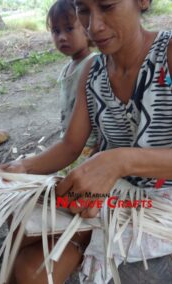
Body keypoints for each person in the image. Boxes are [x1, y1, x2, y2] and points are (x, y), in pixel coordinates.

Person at [0, 0, 172, 283]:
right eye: (83, 10)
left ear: (143, 2)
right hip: (110, 192)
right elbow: (69, 146)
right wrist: (22, 169)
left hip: (165, 204)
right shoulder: (93, 72)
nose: (93, 25)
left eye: (107, 6)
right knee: (20, 224)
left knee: (32, 269)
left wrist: (119, 161)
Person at [47, 0, 98, 173]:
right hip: (71, 144)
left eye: (69, 29)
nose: (61, 37)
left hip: (90, 148)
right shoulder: (67, 69)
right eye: (56, 30)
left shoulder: (93, 63)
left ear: (86, 28)